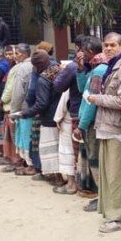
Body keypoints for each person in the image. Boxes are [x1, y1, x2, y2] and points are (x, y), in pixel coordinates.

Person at [87, 32, 121, 233]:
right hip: (107, 126)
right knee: (110, 174)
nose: (108, 48)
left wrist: (96, 99)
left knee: (119, 175)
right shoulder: (111, 66)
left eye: (112, 45)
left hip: (119, 128)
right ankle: (113, 212)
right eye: (105, 45)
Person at [13, 51, 63, 185]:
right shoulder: (59, 69)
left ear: (36, 66)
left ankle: (55, 177)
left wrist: (25, 113)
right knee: (60, 147)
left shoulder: (43, 79)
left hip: (48, 118)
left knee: (50, 148)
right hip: (61, 114)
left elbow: (41, 103)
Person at [76, 37, 108, 212]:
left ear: (91, 52)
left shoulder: (98, 71)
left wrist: (81, 125)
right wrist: (80, 69)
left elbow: (91, 101)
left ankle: (101, 196)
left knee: (95, 158)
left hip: (92, 123)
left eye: (84, 51)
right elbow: (83, 89)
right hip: (91, 121)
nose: (81, 53)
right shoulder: (95, 69)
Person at [52, 37, 82, 195]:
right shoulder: (102, 66)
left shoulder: (73, 67)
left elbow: (59, 87)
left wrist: (63, 72)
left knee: (70, 150)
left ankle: (72, 184)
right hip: (90, 115)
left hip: (74, 115)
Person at [10, 44, 37, 176]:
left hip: (24, 108)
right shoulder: (34, 65)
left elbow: (18, 92)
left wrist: (13, 111)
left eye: (18, 53)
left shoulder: (22, 68)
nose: (15, 56)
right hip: (35, 107)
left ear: (25, 54)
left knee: (25, 137)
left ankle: (30, 165)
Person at [0, 45, 19, 170]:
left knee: (13, 134)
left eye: (12, 54)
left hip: (12, 106)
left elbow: (10, 88)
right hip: (10, 106)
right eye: (7, 54)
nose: (10, 57)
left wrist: (2, 100)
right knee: (9, 135)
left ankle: (15, 160)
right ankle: (10, 157)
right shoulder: (9, 68)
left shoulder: (15, 69)